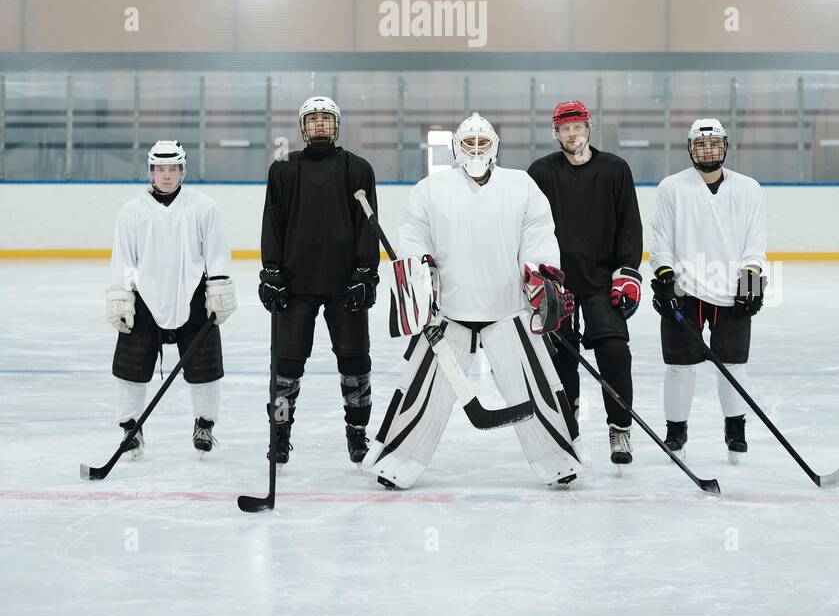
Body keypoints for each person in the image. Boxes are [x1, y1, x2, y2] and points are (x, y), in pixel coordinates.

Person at [363, 112, 581, 490]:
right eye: (469, 144)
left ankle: (559, 460)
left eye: (483, 143)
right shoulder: (432, 188)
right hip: (449, 313)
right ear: (456, 148)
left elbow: (540, 234)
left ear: (494, 147)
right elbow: (414, 235)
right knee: (422, 390)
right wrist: (420, 274)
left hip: (508, 309)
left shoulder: (521, 186)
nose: (476, 150)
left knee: (537, 385)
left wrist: (540, 274)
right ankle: (397, 461)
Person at [258, 96, 379, 468]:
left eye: (326, 120)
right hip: (295, 285)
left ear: (337, 125)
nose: (320, 126)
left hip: (345, 285)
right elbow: (272, 222)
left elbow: (368, 225)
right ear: (303, 127)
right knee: (286, 366)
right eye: (313, 121)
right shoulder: (283, 170)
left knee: (355, 362)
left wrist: (365, 274)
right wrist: (272, 272)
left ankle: (357, 434)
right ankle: (280, 435)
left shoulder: (357, 169)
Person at [528, 100, 643, 466]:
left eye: (577, 126)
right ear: (556, 133)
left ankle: (620, 429)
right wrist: (533, 273)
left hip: (601, 281)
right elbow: (527, 227)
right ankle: (567, 426)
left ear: (589, 128)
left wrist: (627, 273)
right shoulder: (541, 172)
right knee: (561, 358)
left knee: (614, 352)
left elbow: (629, 225)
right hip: (556, 283)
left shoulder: (615, 170)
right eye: (565, 128)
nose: (572, 134)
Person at [106, 140, 236, 458]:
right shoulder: (132, 212)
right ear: (151, 172)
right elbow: (124, 259)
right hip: (145, 301)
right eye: (160, 169)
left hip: (193, 298)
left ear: (182, 171)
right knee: (130, 369)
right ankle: (130, 429)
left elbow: (216, 253)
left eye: (173, 169)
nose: (166, 175)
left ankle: (204, 425)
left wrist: (218, 289)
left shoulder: (204, 207)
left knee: (205, 368)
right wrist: (122, 296)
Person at [649, 118, 767, 461]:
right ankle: (676, 433)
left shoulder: (748, 189)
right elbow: (661, 241)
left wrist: (752, 281)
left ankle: (735, 431)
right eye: (700, 145)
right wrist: (665, 279)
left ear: (725, 146)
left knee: (733, 365)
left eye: (714, 143)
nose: (708, 150)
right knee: (679, 366)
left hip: (731, 292)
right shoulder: (672, 187)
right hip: (684, 292)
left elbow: (755, 243)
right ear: (690, 149)